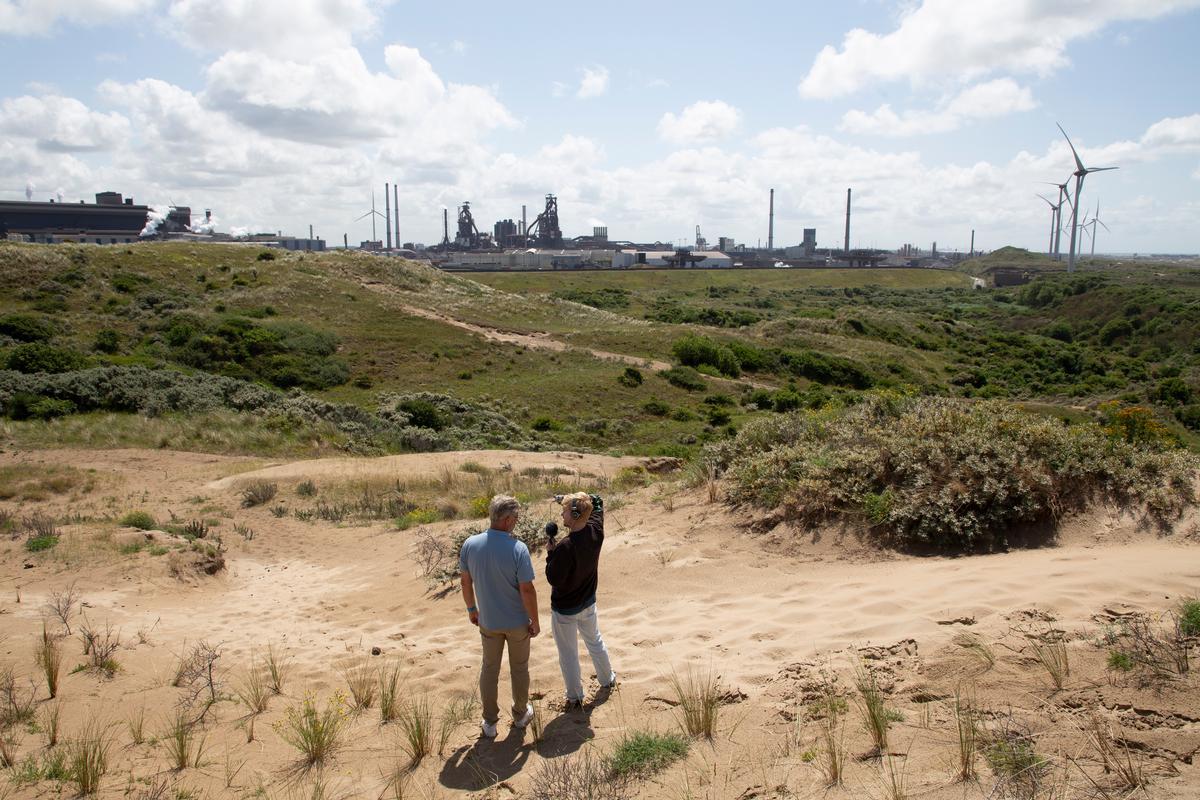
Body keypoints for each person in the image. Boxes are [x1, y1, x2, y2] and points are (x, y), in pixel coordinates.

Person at [459, 494, 540, 738]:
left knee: (489, 669)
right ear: (506, 520)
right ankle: (520, 714)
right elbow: (527, 589)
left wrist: (472, 609)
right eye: (515, 517)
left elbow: (465, 582)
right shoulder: (518, 548)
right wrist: (534, 620)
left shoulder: (470, 544)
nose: (516, 521)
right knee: (519, 668)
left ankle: (490, 722)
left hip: (488, 621)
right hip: (517, 623)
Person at [545, 491, 616, 709]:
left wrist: (550, 554)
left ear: (575, 515)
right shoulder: (596, 531)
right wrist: (572, 498)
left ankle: (575, 696)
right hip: (588, 602)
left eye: (565, 511)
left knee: (568, 654)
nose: (562, 514)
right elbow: (597, 501)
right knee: (595, 641)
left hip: (565, 609)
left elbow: (553, 578)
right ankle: (607, 679)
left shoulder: (566, 547)